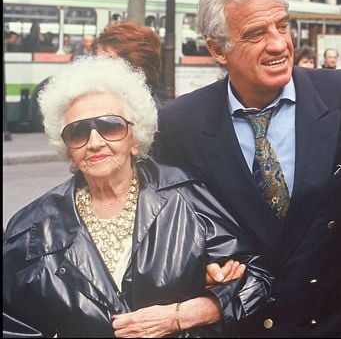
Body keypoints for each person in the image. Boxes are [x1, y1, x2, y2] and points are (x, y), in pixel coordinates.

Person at [155, 0, 341, 337]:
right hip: (241, 324)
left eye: (283, 26)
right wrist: (201, 263)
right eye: (256, 33)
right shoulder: (179, 125)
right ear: (217, 49)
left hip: (335, 323)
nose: (279, 44)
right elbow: (169, 226)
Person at [3, 55, 272, 338]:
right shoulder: (32, 228)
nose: (95, 142)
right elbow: (13, 324)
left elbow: (257, 278)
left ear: (135, 137)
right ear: (67, 147)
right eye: (78, 131)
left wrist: (187, 313)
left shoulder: (187, 197)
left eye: (110, 126)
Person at [95, 20, 163, 109]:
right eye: (98, 59)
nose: (97, 67)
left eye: (108, 60)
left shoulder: (151, 118)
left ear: (137, 69)